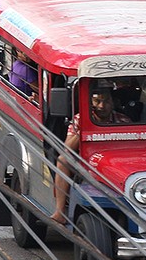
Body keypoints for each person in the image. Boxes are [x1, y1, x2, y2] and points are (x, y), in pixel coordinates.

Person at [51, 88, 130, 224]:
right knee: (63, 160)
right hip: (86, 163)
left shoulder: (123, 120)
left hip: (117, 166)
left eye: (106, 101)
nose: (101, 106)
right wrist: (83, 127)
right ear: (91, 103)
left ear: (113, 103)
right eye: (97, 101)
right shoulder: (79, 119)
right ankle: (60, 211)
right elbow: (67, 149)